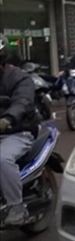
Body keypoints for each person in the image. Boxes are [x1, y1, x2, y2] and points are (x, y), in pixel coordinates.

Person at [0, 35, 38, 225]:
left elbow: (22, 102)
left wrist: (7, 119)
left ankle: (17, 208)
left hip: (17, 131)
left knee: (2, 159)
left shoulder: (20, 78)